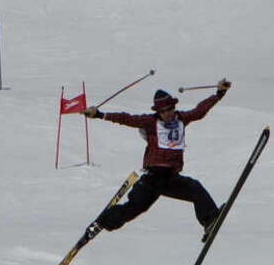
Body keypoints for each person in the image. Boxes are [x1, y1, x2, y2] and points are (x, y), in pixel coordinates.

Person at [83, 79, 232, 240]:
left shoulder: (181, 119)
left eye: (170, 109)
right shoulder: (151, 122)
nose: (168, 114)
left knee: (195, 189)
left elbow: (200, 111)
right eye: (163, 111)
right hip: (154, 176)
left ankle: (210, 220)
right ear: (158, 112)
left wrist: (219, 93)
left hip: (170, 177)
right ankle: (103, 221)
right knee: (135, 207)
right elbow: (126, 119)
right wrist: (99, 115)